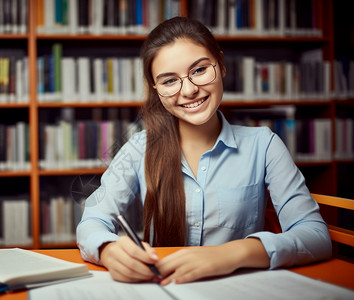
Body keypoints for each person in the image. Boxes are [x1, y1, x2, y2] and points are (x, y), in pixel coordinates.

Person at [76, 16, 332, 286]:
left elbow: (315, 235)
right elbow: (92, 221)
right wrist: (108, 250)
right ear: (156, 89)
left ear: (220, 64)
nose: (188, 90)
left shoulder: (264, 145)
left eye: (199, 70)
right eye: (169, 81)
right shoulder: (139, 149)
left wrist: (232, 254)